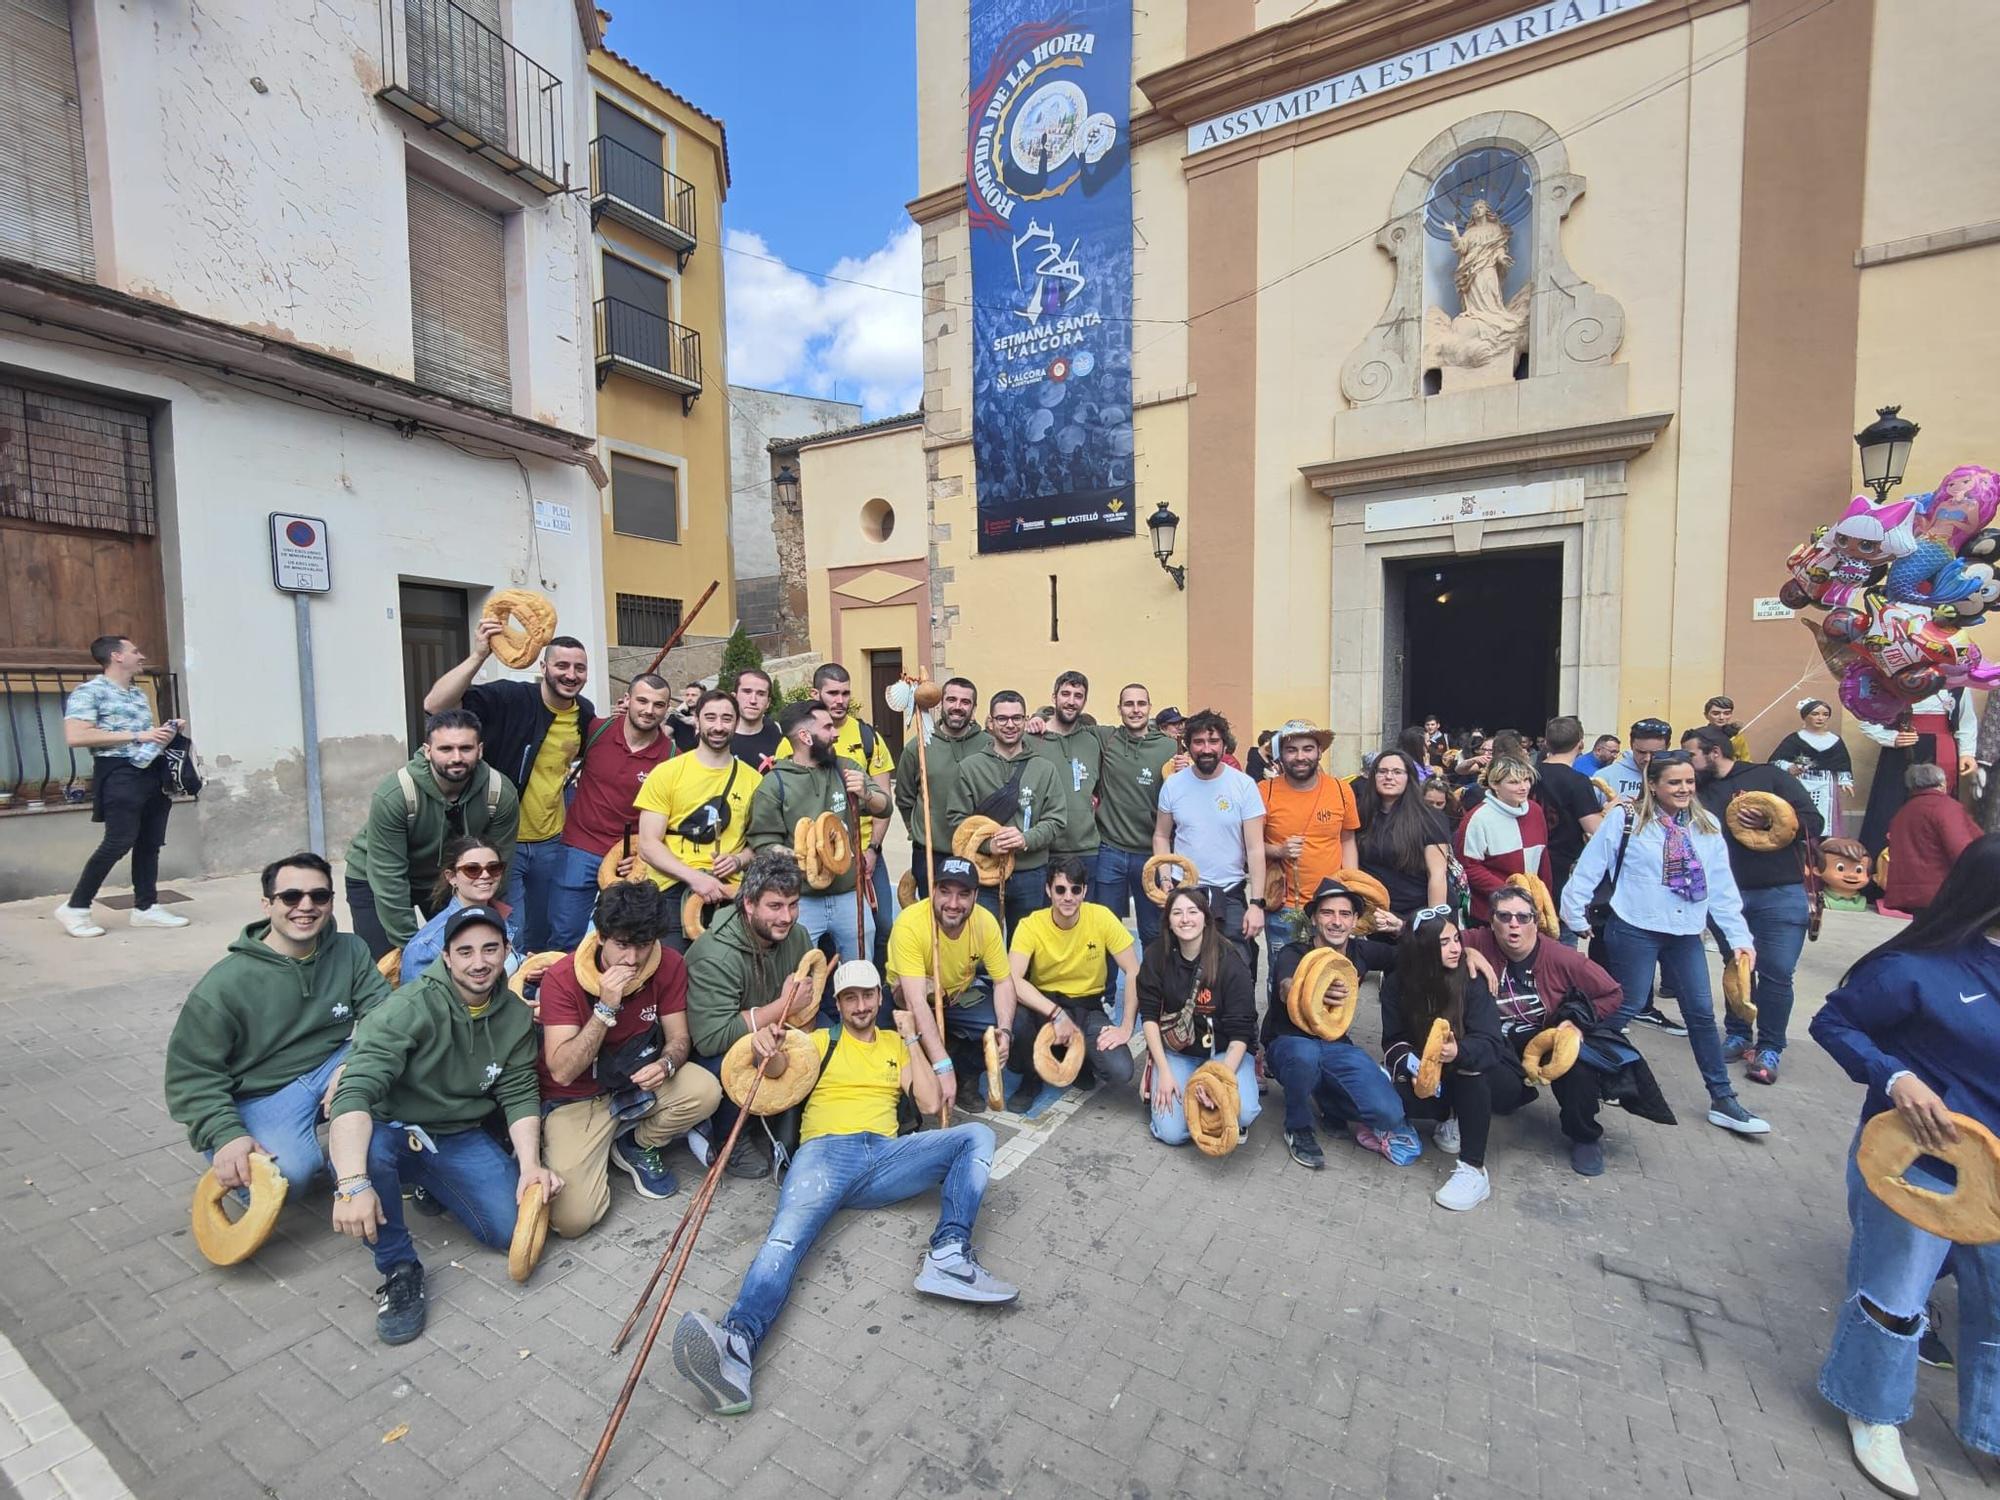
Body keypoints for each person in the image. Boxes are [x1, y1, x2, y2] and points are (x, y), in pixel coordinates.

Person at [672, 959, 1017, 1417]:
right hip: (826, 1156)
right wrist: (763, 1047)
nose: (860, 1006)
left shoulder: (896, 1042)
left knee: (978, 1136)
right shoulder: (820, 1040)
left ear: (879, 997)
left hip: (885, 1158)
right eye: (850, 998)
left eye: (868, 995)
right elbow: (775, 1071)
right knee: (786, 1239)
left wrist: (912, 1034)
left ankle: (949, 1255)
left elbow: (932, 1104)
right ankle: (736, 1346)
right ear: (837, 1004)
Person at [1809, 834, 2000, 1498]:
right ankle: (1872, 1408)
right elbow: (1835, 1024)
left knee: (1998, 1304)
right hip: (1918, 1168)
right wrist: (1897, 1079)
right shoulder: (1918, 968)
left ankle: (1993, 1426)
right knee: (1894, 1296)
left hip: (1998, 1181)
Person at [324, 905, 557, 1345]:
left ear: (507, 952)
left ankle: (428, 1183)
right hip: (392, 1127)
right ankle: (398, 1268)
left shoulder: (513, 1015)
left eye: (491, 949)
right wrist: (352, 1183)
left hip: (454, 1133)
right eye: (465, 951)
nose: (479, 961)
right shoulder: (409, 1007)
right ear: (446, 957)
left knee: (509, 1231)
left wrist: (530, 1165)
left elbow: (520, 1090)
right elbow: (354, 1092)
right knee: (367, 1155)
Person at [1559, 750, 1769, 1136]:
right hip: (1635, 926)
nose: (1684, 788)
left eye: (1689, 781)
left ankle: (1722, 1098)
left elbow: (1722, 888)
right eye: (1674, 782)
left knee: (1702, 1014)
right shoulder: (1624, 821)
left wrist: (1739, 938)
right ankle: (1573, 1058)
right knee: (1627, 1005)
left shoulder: (1706, 826)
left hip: (1687, 931)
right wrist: (1574, 914)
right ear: (1652, 784)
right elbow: (1591, 867)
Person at [164, 852, 390, 1192]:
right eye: (290, 896)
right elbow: (191, 1074)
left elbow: (385, 1016)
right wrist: (226, 1134)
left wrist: (355, 1066)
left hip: (329, 1064)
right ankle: (232, 1158)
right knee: (290, 1178)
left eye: (319, 896)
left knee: (401, 1062)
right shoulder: (225, 984)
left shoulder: (350, 950)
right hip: (261, 1093)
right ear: (267, 905)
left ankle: (360, 1158)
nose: (306, 905)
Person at [535, 882, 723, 1234]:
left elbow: (679, 1037)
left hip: (635, 1081)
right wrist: (605, 1008)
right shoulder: (561, 979)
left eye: (643, 945)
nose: (632, 960)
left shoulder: (667, 963)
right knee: (573, 1221)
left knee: (706, 1090)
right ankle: (584, 1150)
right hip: (578, 1100)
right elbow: (562, 1070)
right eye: (622, 945)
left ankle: (635, 1144)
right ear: (601, 937)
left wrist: (666, 1064)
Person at [1463, 884, 1674, 1177]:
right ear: (1491, 920)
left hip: (1547, 1036)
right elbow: (1433, 939)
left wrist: (1578, 1022)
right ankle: (1513, 1096)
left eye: (1523, 918)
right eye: (1505, 916)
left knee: (1578, 1070)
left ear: (1536, 923)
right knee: (1475, 1065)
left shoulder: (1562, 957)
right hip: (1499, 1039)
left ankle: (1585, 1136)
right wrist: (1468, 952)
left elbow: (1613, 993)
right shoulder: (1479, 940)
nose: (1514, 924)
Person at [424, 625, 595, 954]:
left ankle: (538, 998)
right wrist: (478, 654)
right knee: (510, 931)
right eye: (561, 665)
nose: (570, 675)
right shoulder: (511, 698)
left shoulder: (583, 714)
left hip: (551, 841)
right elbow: (435, 705)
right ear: (543, 668)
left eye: (579, 668)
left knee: (543, 933)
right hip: (504, 841)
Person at [1686, 725, 1822, 1086]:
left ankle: (1771, 1046)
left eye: (1692, 754)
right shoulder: (1696, 791)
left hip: (1780, 891)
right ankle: (1737, 1033)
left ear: (1714, 752)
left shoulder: (1768, 776)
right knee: (1737, 966)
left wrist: (1771, 820)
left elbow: (1813, 820)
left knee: (1777, 971)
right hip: (1726, 896)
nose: (1689, 762)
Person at [1264, 878, 1420, 1171]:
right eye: (1327, 913)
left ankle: (1329, 1099)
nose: (1336, 922)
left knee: (1388, 1112)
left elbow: (1409, 957)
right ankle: (1298, 1127)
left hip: (1335, 1045)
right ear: (1313, 918)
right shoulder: (1293, 952)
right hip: (1289, 1043)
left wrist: (1402, 929)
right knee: (1305, 1056)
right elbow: (1286, 987)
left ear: (1356, 920)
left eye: (1345, 914)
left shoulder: (1361, 952)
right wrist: (1314, 988)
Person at [1380, 908, 1528, 1210]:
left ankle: (1474, 1170)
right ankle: (1450, 1116)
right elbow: (1393, 1040)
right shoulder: (1397, 985)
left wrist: (1458, 1051)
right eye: (1445, 942)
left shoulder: (1471, 979)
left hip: (1492, 1073)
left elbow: (1489, 1043)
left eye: (1457, 939)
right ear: (1422, 948)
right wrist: (1410, 1065)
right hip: (1436, 1075)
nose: (1456, 948)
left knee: (1468, 1071)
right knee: (1389, 1096)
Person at [343, 710, 519, 961]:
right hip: (376, 877)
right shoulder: (395, 794)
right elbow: (389, 876)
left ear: (479, 750)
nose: (456, 757)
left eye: (465, 748)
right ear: (427, 751)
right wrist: (412, 949)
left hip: (445, 877)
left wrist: (489, 925)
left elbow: (495, 870)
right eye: (446, 749)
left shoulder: (499, 792)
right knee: (387, 964)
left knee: (464, 953)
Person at [683, 848, 811, 1180]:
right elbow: (711, 1039)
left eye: (793, 904)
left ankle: (789, 1129)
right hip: (713, 1057)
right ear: (749, 904)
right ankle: (726, 1135)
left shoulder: (797, 936)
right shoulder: (715, 955)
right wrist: (782, 1008)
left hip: (777, 1033)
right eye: (775, 906)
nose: (786, 917)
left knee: (828, 1040)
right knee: (745, 1060)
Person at [54, 634, 189, 937]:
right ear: (116, 656)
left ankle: (146, 908)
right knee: (118, 841)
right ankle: (75, 907)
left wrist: (165, 731)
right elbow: (76, 736)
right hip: (118, 774)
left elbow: (142, 738)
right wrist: (137, 736)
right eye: (135, 651)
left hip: (149, 772)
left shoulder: (137, 694)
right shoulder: (89, 692)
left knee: (149, 843)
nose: (141, 657)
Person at [749, 699, 884, 963]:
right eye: (827, 727)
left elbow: (884, 807)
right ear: (804, 736)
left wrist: (866, 793)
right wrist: (803, 857)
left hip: (848, 892)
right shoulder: (774, 783)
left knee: (860, 965)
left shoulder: (846, 769)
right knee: (800, 970)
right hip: (800, 898)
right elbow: (763, 842)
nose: (835, 733)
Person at [550, 673, 676, 949]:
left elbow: (670, 818)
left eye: (658, 704)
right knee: (565, 937)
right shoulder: (597, 730)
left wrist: (642, 857)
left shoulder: (671, 756)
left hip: (627, 859)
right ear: (627, 700)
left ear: (667, 709)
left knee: (622, 938)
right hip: (578, 847)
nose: (648, 710)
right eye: (642, 701)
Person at [1002, 858, 1140, 1110]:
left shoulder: (1102, 917)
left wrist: (1126, 1027)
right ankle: (1031, 1078)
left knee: (1121, 1071)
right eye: (1060, 889)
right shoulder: (1031, 924)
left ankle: (1080, 1058)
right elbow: (1012, 980)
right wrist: (1056, 1014)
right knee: (1016, 1021)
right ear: (1048, 890)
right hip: (1043, 1005)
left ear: (1085, 891)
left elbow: (1133, 971)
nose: (1068, 897)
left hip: (1087, 1006)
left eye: (1076, 889)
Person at [885, 856, 1019, 1114]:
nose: (953, 904)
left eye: (963, 895)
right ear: (932, 890)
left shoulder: (986, 922)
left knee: (1016, 1024)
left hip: (957, 998)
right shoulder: (910, 924)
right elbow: (914, 1001)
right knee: (890, 1035)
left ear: (976, 896)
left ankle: (964, 1071)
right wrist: (941, 1066)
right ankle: (916, 1081)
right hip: (910, 1001)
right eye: (945, 892)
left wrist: (1005, 1030)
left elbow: (1003, 982)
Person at [633, 689, 763, 950]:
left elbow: (760, 844)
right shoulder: (667, 773)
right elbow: (648, 844)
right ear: (697, 721)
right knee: (672, 976)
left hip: (729, 893)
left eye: (726, 719)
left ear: (736, 724)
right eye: (710, 718)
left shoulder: (754, 781)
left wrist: (739, 860)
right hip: (671, 889)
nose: (718, 726)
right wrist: (695, 877)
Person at [780, 664, 897, 951]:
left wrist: (873, 849)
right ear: (815, 693)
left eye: (845, 693)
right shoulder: (794, 740)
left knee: (880, 922)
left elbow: (884, 798)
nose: (840, 700)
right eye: (832, 693)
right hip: (813, 854)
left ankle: (872, 986)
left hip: (861, 849)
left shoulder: (868, 738)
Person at [1136, 888, 1261, 1147]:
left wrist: (1217, 1079)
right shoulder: (1156, 955)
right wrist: (1165, 1071)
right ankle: (1182, 1106)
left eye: (1193, 912)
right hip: (1178, 1053)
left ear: (1206, 917)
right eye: (1177, 912)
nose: (1185, 919)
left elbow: (1241, 1034)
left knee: (1244, 1112)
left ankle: (1205, 1112)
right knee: (1171, 1133)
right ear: (1168, 920)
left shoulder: (1230, 961)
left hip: (1224, 1054)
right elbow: (1148, 1016)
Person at [947, 690, 1067, 937]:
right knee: (980, 945)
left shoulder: (1044, 769)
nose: (1010, 725)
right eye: (1002, 719)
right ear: (990, 722)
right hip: (983, 873)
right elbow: (956, 820)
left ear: (1026, 720)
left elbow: (1056, 820)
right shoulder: (970, 768)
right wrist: (987, 845)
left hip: (1030, 873)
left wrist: (1026, 839)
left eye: (1017, 718)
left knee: (1027, 946)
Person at [1154, 710, 1266, 970]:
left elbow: (1255, 848)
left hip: (1230, 893)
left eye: (1213, 741)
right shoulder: (1174, 785)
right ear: (1188, 746)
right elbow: (1161, 835)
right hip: (1184, 891)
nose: (1206, 749)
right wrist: (1165, 878)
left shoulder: (1244, 785)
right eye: (1199, 742)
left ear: (1224, 745)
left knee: (1237, 967)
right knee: (1182, 968)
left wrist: (1256, 904)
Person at [1258, 720, 1361, 953]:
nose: (1300, 756)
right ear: (1281, 755)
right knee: (1284, 981)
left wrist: (1351, 888)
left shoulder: (1341, 790)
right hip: (1284, 908)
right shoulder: (1265, 791)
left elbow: (1347, 840)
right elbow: (1249, 846)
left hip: (1331, 904)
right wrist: (1279, 851)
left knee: (1331, 979)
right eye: (1291, 750)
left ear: (1319, 752)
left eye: (1307, 749)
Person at [893, 677, 988, 900]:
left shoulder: (989, 745)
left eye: (965, 702)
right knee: (933, 921)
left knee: (974, 920)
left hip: (976, 851)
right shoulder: (918, 746)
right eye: (951, 699)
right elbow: (904, 798)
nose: (957, 706)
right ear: (941, 703)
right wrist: (917, 832)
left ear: (974, 708)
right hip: (930, 852)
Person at [1859, 688, 1980, 857]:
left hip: (1941, 748)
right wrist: (1890, 737)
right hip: (1901, 749)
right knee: (1891, 801)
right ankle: (1881, 863)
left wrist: (1967, 752)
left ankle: (1939, 862)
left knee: (1938, 804)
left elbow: (1966, 721)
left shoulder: (1957, 684)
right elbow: (1867, 714)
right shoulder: (1892, 680)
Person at [400, 836, 520, 984]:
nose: (485, 875)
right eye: (472, 869)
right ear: (451, 877)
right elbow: (418, 1002)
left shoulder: (499, 916)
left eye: (494, 868)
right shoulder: (427, 945)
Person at [1026, 670, 1106, 886]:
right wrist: (1037, 716)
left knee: (1085, 917)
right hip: (1043, 849)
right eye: (1065, 694)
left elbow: (1097, 787)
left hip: (1087, 848)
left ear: (1084, 701)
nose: (1071, 701)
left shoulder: (1092, 741)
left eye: (1078, 696)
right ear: (1054, 698)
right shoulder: (1031, 739)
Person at [1354, 750, 1451, 923]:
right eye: (1382, 771)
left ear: (1409, 777)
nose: (1388, 777)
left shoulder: (1429, 818)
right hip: (1373, 916)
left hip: (1417, 915)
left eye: (1397, 772)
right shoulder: (1362, 814)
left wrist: (1435, 925)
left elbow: (1437, 875)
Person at [1880, 763, 1982, 921]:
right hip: (1942, 890)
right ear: (1942, 784)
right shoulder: (1947, 807)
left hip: (1910, 891)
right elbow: (1962, 850)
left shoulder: (1903, 812)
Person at [1455, 756, 1549, 925]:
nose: (1523, 787)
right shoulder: (1478, 818)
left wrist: (1545, 897)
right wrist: (1508, 893)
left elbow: (1542, 857)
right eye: (1514, 782)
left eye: (1526, 780)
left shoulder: (1535, 811)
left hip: (1529, 909)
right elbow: (1469, 867)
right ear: (1495, 785)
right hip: (1490, 912)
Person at [1535, 716, 1605, 904]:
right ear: (1581, 744)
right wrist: (1610, 810)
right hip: (1563, 863)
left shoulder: (1528, 773)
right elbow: (1595, 829)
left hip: (1529, 858)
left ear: (1547, 743)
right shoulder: (1578, 781)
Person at [1772, 699, 1854, 838]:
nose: (1820, 718)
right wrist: (1789, 767)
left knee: (1825, 814)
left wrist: (1845, 780)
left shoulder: (1835, 741)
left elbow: (1842, 763)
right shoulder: (1795, 739)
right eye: (1815, 714)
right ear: (1805, 716)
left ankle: (1824, 842)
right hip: (1801, 782)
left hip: (1826, 785)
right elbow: (1775, 761)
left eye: (1825, 714)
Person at [1604, 717, 1671, 803]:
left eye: (1655, 753)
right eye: (1641, 752)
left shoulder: (1680, 776)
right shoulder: (1606, 776)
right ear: (1631, 745)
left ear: (1668, 746)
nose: (1648, 758)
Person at [728, 667, 783, 771]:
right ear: (734, 698)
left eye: (761, 694)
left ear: (768, 702)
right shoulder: (718, 736)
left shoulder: (778, 733)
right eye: (747, 692)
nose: (753, 700)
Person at [1703, 695, 1751, 762]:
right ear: (1706, 715)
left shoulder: (1736, 736)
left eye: (1726, 713)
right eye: (1716, 713)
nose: (1721, 717)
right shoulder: (1699, 736)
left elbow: (1746, 760)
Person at [667, 682, 703, 753]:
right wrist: (676, 711)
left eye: (693, 695)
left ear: (702, 697)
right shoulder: (677, 715)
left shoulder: (706, 717)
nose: (689, 698)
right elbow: (665, 733)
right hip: (682, 758)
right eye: (687, 695)